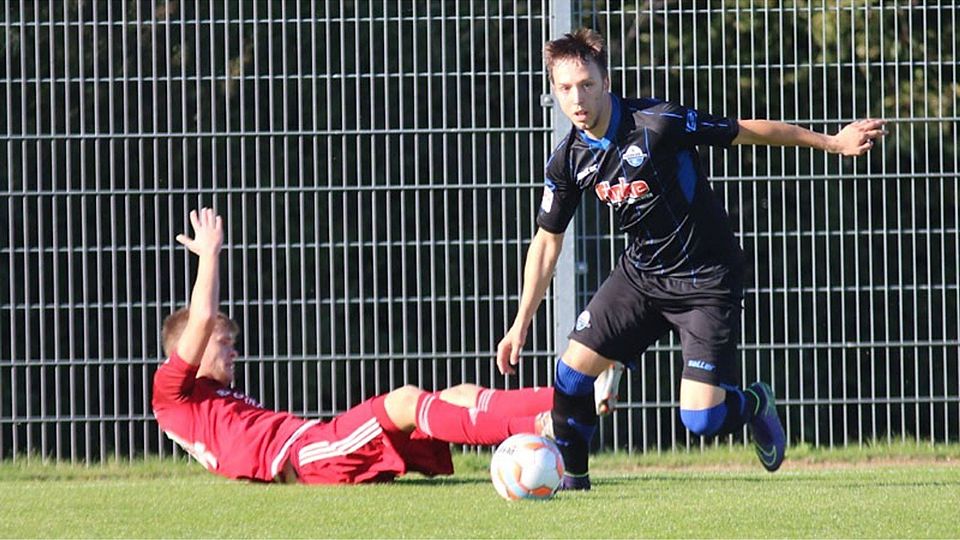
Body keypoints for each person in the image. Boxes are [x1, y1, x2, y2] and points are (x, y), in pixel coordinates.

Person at [496, 29, 887, 490]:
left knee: (701, 419)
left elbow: (747, 131)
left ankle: (753, 405)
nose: (577, 98)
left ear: (606, 81)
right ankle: (573, 482)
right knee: (570, 375)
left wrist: (832, 143)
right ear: (554, 90)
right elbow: (546, 243)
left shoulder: (657, 122)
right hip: (641, 278)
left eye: (586, 84)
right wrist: (520, 323)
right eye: (565, 88)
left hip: (707, 279)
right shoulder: (569, 160)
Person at [153, 207, 554, 484]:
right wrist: (210, 255)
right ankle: (538, 429)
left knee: (458, 394)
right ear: (193, 346)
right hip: (306, 458)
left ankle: (569, 399)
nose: (233, 351)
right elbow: (202, 318)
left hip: (317, 445)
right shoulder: (171, 393)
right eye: (224, 343)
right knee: (404, 401)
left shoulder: (211, 395)